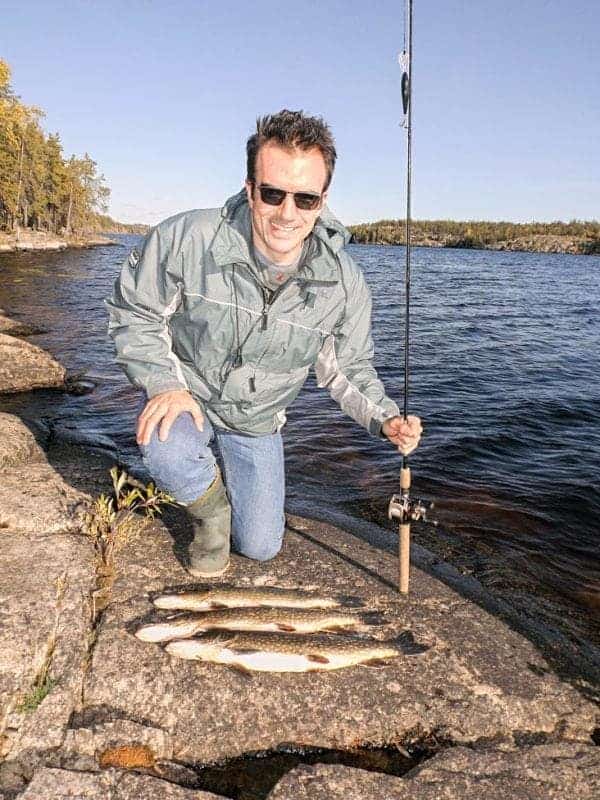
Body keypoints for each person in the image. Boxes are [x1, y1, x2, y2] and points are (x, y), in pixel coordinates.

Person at [107, 109, 422, 578]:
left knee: (260, 547)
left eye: (305, 198)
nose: (286, 214)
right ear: (250, 188)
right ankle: (211, 514)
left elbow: (349, 370)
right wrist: (163, 384)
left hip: (257, 420)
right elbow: (136, 311)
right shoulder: (188, 237)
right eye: (272, 193)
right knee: (165, 443)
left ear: (323, 199)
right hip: (189, 396)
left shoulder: (345, 284)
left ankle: (229, 495)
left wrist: (386, 419)